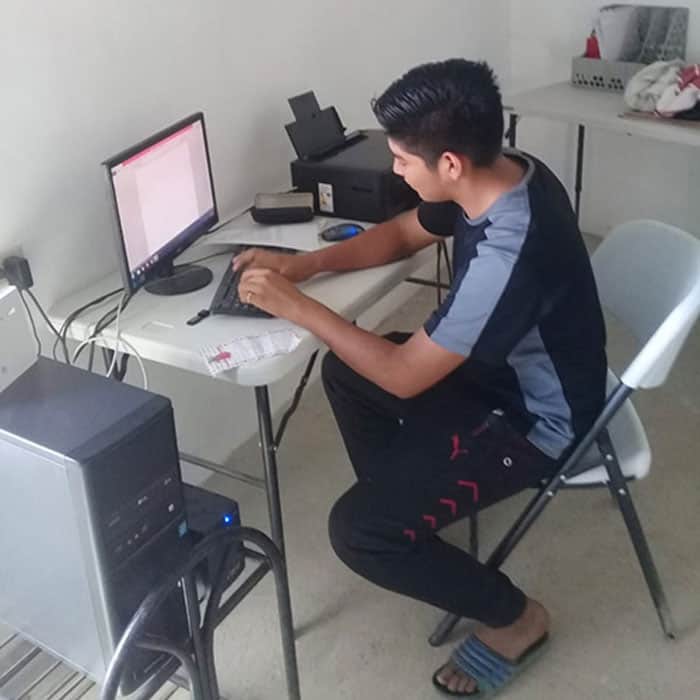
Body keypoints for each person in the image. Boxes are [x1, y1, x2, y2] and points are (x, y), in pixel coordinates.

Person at [235, 59, 607, 696]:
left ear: (451, 164)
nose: (396, 169)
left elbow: (406, 377)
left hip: (538, 419)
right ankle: (411, 511)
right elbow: (406, 231)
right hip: (503, 372)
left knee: (356, 532)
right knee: (347, 374)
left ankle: (517, 619)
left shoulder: (507, 251)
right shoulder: (505, 171)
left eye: (403, 160)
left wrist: (298, 308)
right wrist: (304, 267)